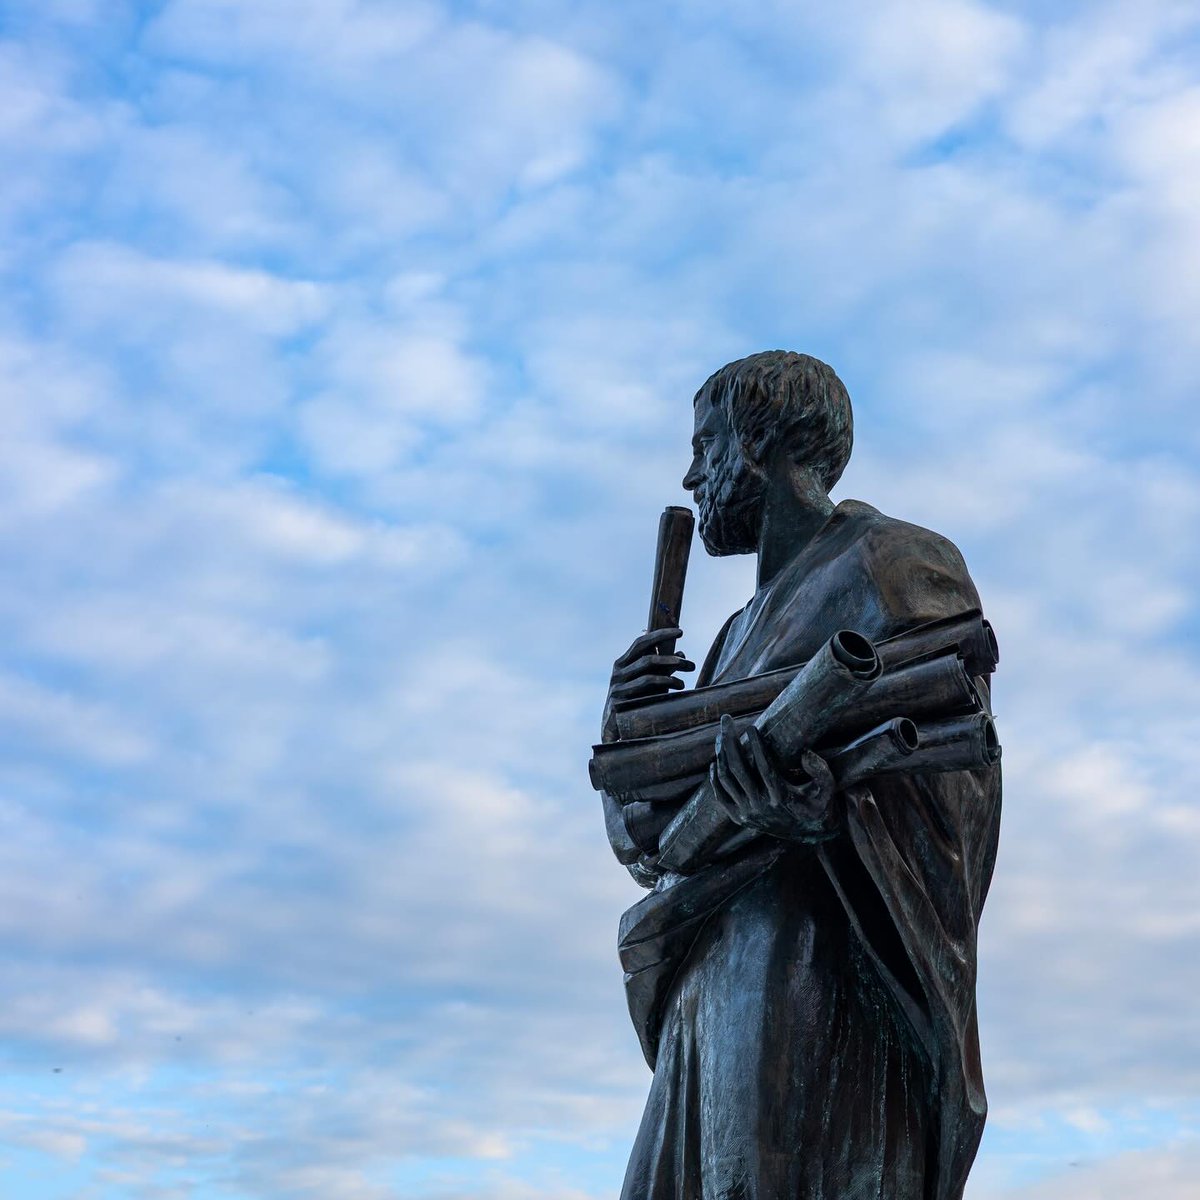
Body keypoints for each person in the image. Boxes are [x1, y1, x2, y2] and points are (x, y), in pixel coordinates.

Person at [600, 351, 1001, 1200]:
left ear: (763, 443)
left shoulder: (891, 560)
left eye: (705, 446)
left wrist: (831, 807)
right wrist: (623, 742)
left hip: (812, 975)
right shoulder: (729, 640)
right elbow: (657, 853)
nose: (691, 473)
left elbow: (961, 770)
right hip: (706, 992)